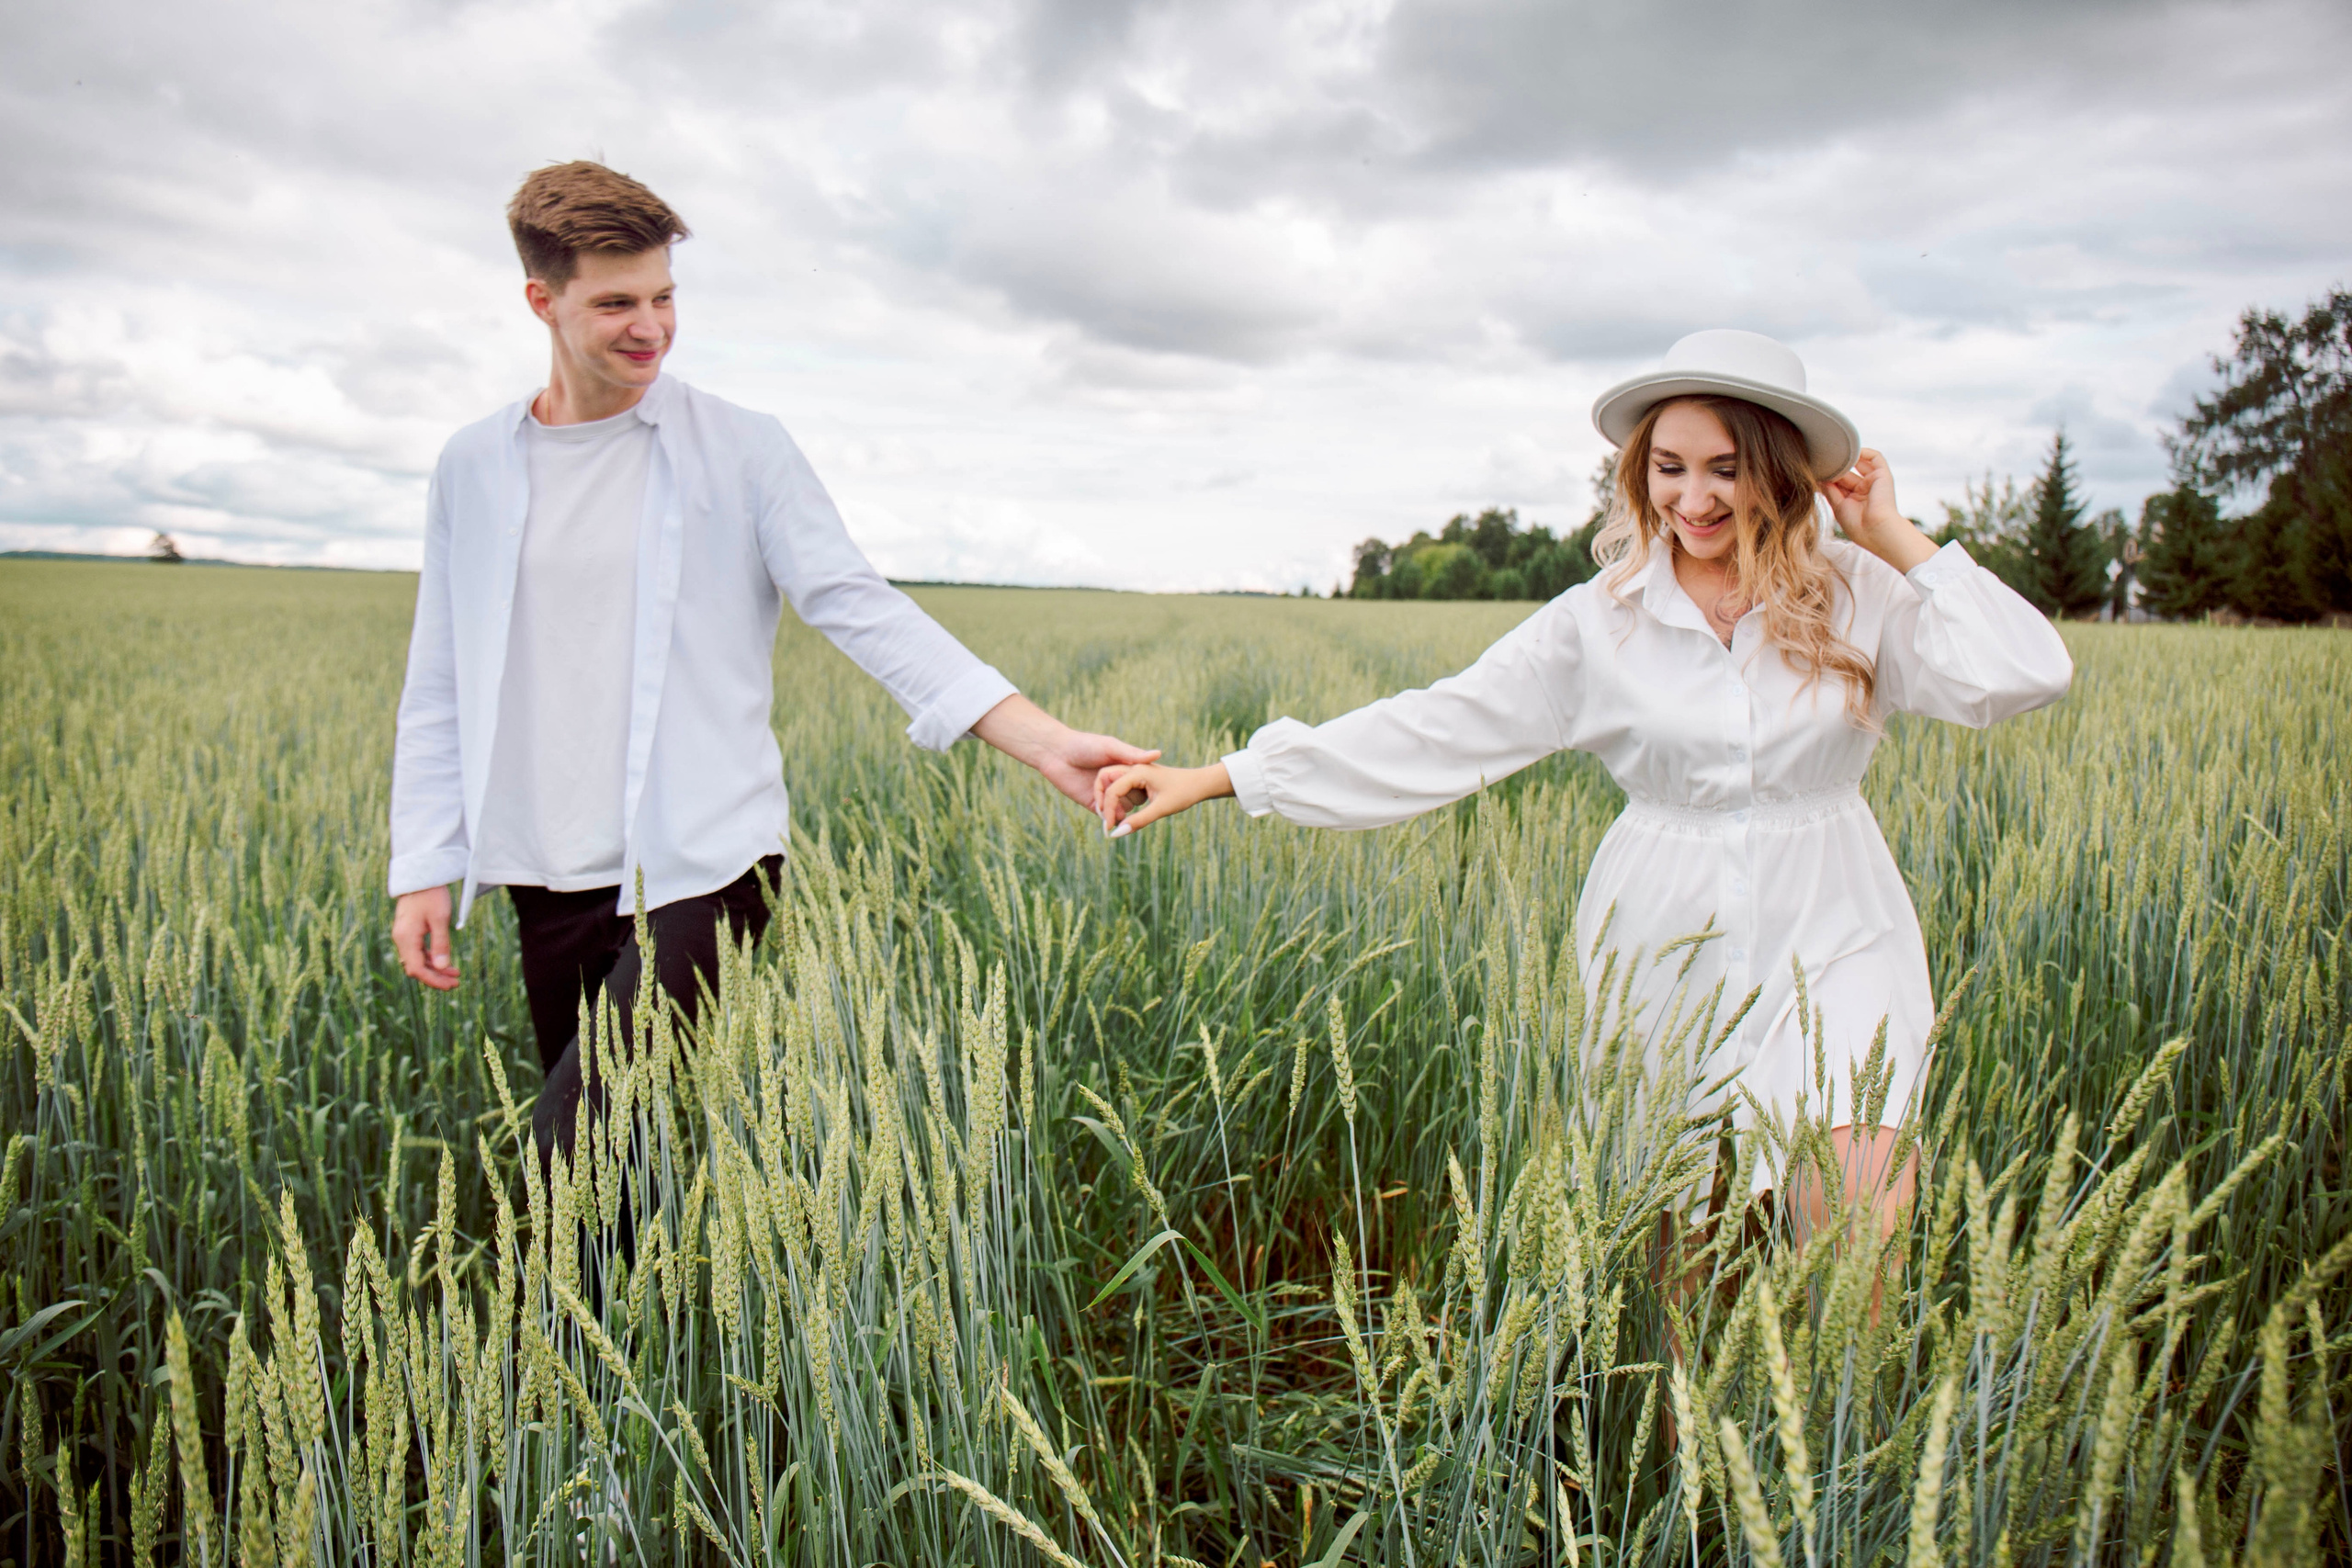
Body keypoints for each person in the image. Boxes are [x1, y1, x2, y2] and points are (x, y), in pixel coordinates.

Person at [1091, 328, 2074, 1247]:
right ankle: (1691, 1429)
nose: (1694, 498)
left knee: (1857, 1205)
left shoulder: (1856, 591)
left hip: (1836, 918)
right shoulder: (1597, 621)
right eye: (1670, 467)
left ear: (1781, 473)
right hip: (1660, 929)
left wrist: (1892, 531)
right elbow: (1440, 726)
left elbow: (2024, 671)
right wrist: (1225, 777)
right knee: (1684, 1226)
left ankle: (1840, 1428)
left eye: (1726, 469)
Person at [389, 161, 1155, 1158]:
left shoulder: (741, 448)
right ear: (541, 300)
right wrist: (424, 866)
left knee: (565, 1155)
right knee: (620, 1173)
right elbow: (440, 677)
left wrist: (1041, 740)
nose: (651, 327)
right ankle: (649, 1317)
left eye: (665, 297)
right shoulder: (472, 465)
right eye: (617, 302)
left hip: (706, 858)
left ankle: (550, 1317)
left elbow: (859, 606)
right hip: (545, 865)